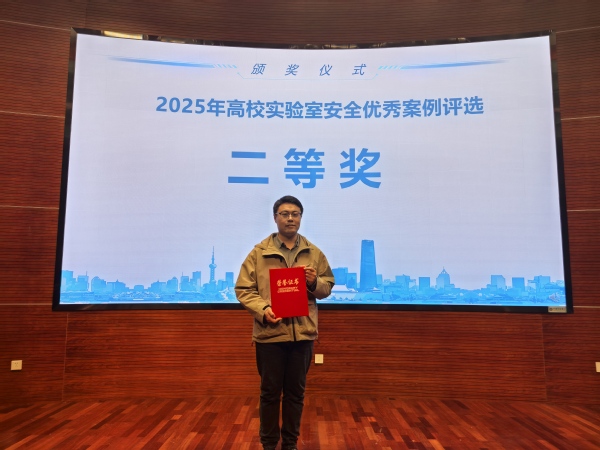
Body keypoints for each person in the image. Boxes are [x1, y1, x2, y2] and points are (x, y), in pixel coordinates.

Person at [235, 195, 335, 450]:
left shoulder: (314, 253)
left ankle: (290, 444)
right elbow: (244, 289)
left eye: (295, 214)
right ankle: (269, 444)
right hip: (270, 334)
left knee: (295, 394)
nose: (290, 218)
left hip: (303, 335)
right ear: (275, 218)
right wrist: (263, 310)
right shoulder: (259, 253)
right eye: (284, 214)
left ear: (301, 217)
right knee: (269, 393)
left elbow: (327, 288)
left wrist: (314, 282)